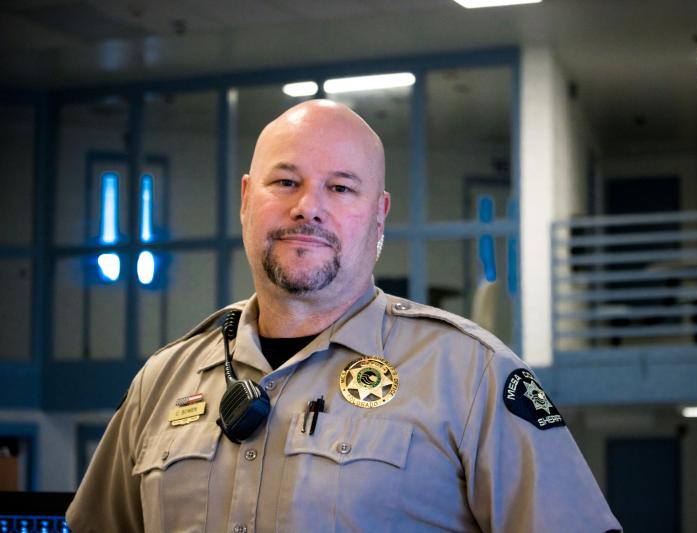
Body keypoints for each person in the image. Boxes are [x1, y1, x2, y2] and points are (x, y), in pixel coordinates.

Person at [67, 99, 621, 532]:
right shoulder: (162, 382)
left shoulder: (470, 376)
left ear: (378, 215)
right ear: (245, 199)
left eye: (340, 187)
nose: (308, 205)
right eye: (285, 182)